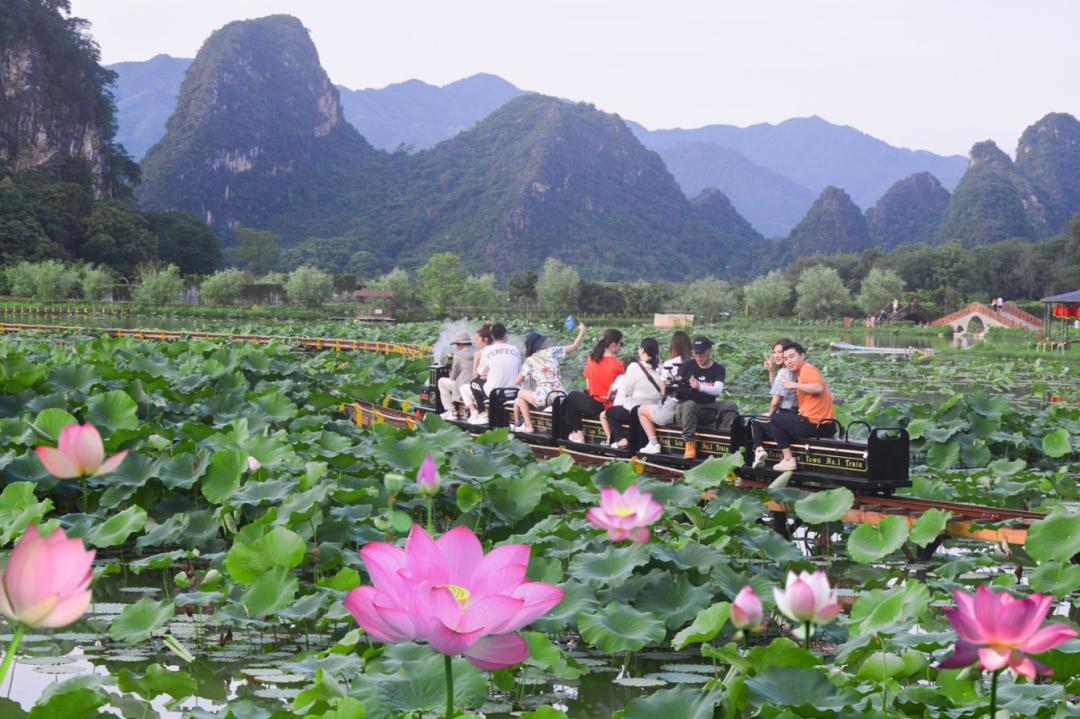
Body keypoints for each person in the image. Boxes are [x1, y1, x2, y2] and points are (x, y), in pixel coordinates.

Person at [640, 336, 737, 459]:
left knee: (730, 405)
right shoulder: (687, 366)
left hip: (708, 406)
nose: (698, 357)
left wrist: (699, 386)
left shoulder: (718, 369)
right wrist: (670, 387)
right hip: (687, 409)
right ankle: (689, 443)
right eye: (695, 354)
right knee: (689, 404)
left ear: (710, 350)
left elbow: (718, 390)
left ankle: (724, 438)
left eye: (701, 354)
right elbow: (676, 391)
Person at [767, 341, 835, 472]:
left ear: (802, 356)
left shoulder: (807, 369)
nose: (788, 361)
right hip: (828, 426)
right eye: (786, 359)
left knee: (776, 419)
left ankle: (788, 459)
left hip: (814, 424)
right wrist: (773, 373)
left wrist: (794, 385)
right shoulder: (802, 372)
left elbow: (818, 388)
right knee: (787, 420)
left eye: (792, 357)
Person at [511, 323, 587, 432]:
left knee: (520, 394)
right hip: (561, 394)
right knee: (531, 396)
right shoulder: (552, 351)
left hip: (545, 397)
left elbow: (518, 381)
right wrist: (582, 331)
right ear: (540, 344)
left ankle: (528, 425)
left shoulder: (530, 360)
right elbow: (574, 345)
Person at [562, 329, 625, 443]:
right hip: (611, 405)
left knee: (572, 397)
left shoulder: (592, 359)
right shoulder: (619, 364)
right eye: (621, 343)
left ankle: (578, 433)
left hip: (596, 404)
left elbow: (588, 385)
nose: (621, 346)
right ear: (613, 344)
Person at [601, 338, 663, 448]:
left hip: (636, 410)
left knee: (610, 412)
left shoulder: (634, 367)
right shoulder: (658, 370)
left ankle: (621, 439)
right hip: (653, 410)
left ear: (642, 350)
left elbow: (626, 389)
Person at [637, 331, 692, 452]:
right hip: (691, 407)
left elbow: (663, 392)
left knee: (641, 410)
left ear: (673, 346)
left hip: (672, 409)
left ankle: (653, 444)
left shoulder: (669, 364)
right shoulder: (695, 362)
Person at [751, 338, 797, 468]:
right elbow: (777, 389)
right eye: (774, 352)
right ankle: (760, 450)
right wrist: (772, 372)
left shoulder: (783, 372)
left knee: (756, 421)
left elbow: (776, 400)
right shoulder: (792, 370)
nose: (776, 355)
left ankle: (759, 450)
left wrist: (770, 412)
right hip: (794, 415)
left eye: (779, 352)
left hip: (785, 416)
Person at [466, 323, 520, 425]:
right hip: (514, 391)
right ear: (506, 335)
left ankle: (482, 414)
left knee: (474, 383)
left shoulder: (487, 350)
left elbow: (479, 373)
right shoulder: (515, 350)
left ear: (492, 336)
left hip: (494, 393)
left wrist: (475, 360)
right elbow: (518, 371)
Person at [437, 331, 475, 420]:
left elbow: (453, 376)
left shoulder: (458, 355)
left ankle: (451, 411)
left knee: (441, 381)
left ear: (461, 344)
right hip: (475, 385)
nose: (457, 347)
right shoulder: (478, 352)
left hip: (462, 387)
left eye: (457, 345)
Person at [460, 324, 494, 420]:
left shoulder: (481, 353)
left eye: (477, 339)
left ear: (485, 339)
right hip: (498, 386)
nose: (475, 342)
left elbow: (475, 376)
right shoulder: (496, 350)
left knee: (464, 388)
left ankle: (475, 412)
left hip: (486, 389)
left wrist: (475, 359)